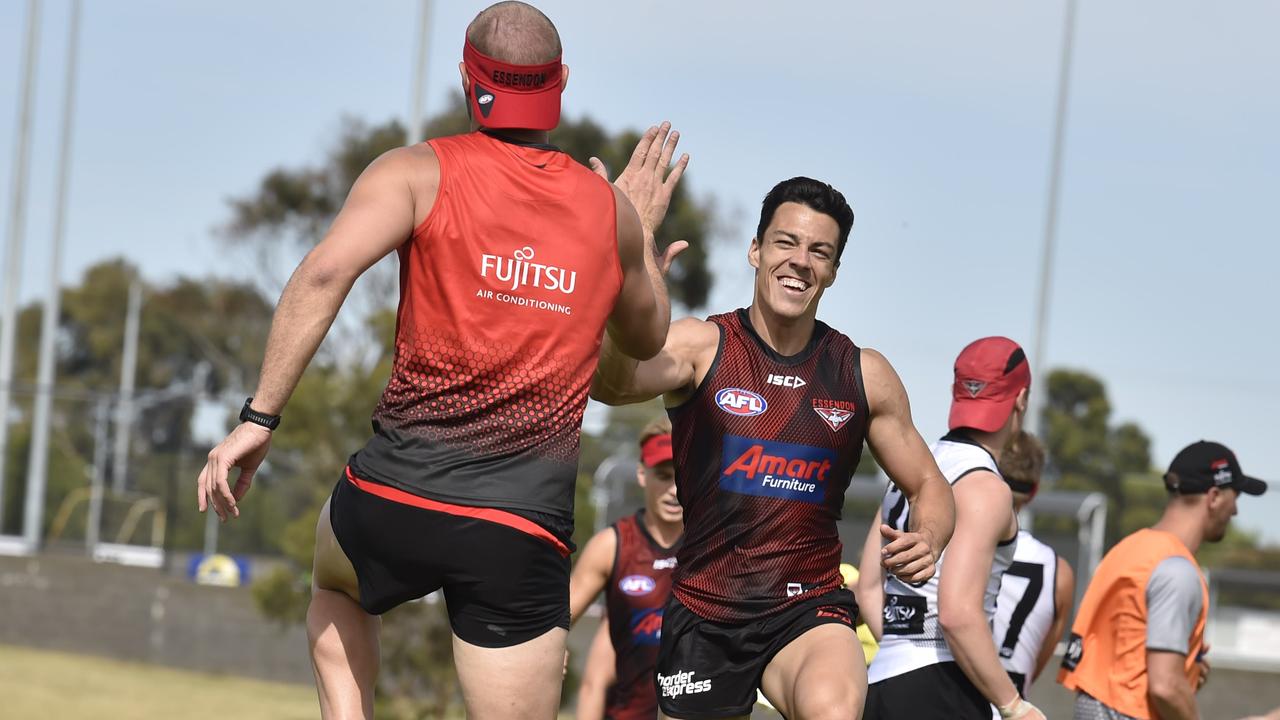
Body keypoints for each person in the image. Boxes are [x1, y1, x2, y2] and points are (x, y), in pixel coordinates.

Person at [195, 3, 689, 717]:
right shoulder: (605, 209)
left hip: (394, 499)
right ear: (562, 82)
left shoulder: (415, 172)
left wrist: (258, 416)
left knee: (336, 586)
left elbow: (324, 276)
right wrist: (635, 230)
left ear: (468, 79)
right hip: (518, 530)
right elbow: (646, 338)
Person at [592, 176, 956, 720]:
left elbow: (931, 486)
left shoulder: (863, 374)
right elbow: (612, 385)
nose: (801, 261)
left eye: (820, 252)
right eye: (785, 242)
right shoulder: (702, 348)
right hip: (704, 611)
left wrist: (929, 535)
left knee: (832, 710)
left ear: (833, 271)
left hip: (808, 608)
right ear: (756, 250)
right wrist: (626, 309)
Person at [859, 337, 1045, 720]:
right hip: (944, 687)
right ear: (1021, 398)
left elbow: (868, 586)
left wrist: (901, 648)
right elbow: (957, 614)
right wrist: (1013, 706)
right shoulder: (985, 487)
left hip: (881, 681)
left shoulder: (915, 471)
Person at [1059, 440, 1268, 720]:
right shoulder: (1177, 570)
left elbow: (1127, 653)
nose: (1235, 511)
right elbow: (1165, 686)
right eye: (1236, 497)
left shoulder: (1128, 550)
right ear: (1215, 497)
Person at [570, 417, 684, 720]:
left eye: (683, 475)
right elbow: (553, 622)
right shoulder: (610, 546)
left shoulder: (712, 546)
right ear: (642, 474)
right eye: (663, 474)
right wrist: (550, 651)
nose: (674, 490)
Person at [989, 431, 1075, 709]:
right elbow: (1036, 661)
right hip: (1012, 705)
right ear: (1034, 490)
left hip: (955, 696)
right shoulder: (1059, 572)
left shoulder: (956, 545)